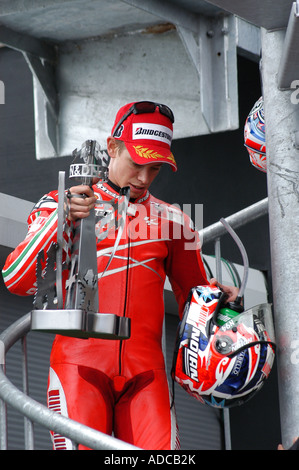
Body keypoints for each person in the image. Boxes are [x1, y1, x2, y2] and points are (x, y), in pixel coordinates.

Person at [2, 101, 238, 450]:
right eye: (138, 163)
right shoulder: (60, 202)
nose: (144, 178)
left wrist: (220, 298)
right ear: (113, 147)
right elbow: (17, 280)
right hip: (78, 369)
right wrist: (61, 219)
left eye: (155, 168)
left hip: (147, 377)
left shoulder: (175, 221)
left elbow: (196, 300)